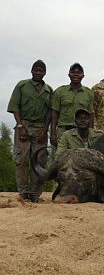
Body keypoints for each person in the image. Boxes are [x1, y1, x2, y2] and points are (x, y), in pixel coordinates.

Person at [7, 60, 53, 202]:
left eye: (41, 71)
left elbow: (50, 113)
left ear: (45, 73)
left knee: (39, 161)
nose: (38, 73)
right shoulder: (22, 86)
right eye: (36, 70)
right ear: (31, 71)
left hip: (41, 129)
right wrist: (20, 126)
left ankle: (35, 194)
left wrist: (45, 131)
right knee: (21, 160)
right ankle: (23, 193)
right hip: (24, 126)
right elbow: (15, 107)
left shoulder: (49, 90)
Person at [50, 63, 94, 147]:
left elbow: (91, 114)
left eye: (79, 72)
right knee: (60, 157)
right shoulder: (60, 91)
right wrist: (53, 133)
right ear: (69, 75)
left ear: (83, 75)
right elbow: (54, 113)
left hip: (81, 132)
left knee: (82, 158)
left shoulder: (89, 93)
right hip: (63, 131)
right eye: (73, 72)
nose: (76, 74)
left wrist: (90, 134)